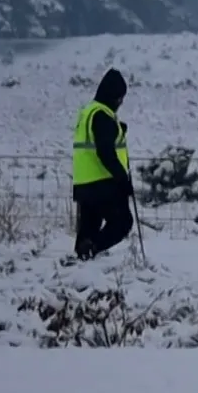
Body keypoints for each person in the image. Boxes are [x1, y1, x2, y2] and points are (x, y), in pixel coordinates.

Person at [71, 68, 134, 261]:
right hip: (103, 182)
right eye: (120, 98)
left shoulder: (88, 112)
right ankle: (92, 250)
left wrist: (118, 130)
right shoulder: (103, 116)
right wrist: (122, 179)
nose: (121, 102)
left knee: (89, 225)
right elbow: (105, 151)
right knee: (123, 221)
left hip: (84, 182)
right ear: (114, 96)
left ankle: (83, 259)